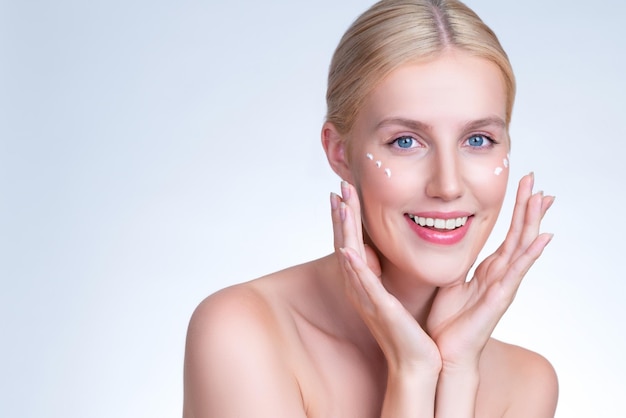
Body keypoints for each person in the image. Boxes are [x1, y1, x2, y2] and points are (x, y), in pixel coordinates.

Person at [183, 0, 558, 416]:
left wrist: (455, 371)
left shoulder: (526, 383)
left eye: (477, 140)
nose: (448, 186)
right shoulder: (242, 334)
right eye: (405, 141)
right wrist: (411, 374)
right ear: (340, 152)